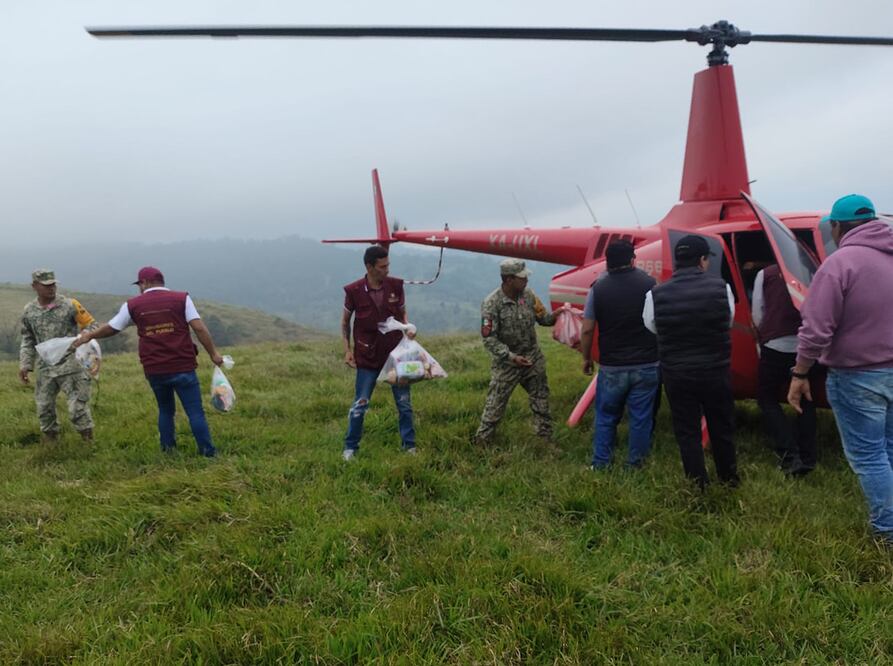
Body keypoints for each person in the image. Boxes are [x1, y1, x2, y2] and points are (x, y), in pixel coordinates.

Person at [788, 194, 893, 545]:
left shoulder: (839, 264)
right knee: (889, 448)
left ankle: (888, 531)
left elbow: (816, 329)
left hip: (858, 376)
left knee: (869, 456)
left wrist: (800, 373)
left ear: (836, 226)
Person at [74, 266, 222, 457]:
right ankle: (208, 452)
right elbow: (199, 328)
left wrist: (89, 336)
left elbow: (112, 328)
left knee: (166, 410)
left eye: (140, 285)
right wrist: (213, 354)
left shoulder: (133, 305)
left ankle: (168, 451)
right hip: (182, 364)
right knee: (195, 412)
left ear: (144, 283)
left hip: (155, 367)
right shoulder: (182, 299)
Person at [643, 235, 739, 489]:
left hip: (677, 372)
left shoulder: (656, 294)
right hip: (715, 370)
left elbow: (652, 326)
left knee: (687, 430)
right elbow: (727, 320)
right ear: (702, 260)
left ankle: (697, 482)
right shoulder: (722, 288)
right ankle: (729, 478)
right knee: (722, 426)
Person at [581, 240, 659, 469]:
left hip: (612, 366)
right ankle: (636, 464)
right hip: (647, 364)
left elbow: (587, 329)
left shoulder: (598, 288)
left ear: (607, 262)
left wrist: (586, 358)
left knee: (606, 417)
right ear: (633, 259)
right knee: (641, 418)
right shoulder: (650, 284)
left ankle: (601, 463)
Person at [341, 245, 416, 460]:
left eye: (388, 265)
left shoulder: (395, 286)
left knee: (404, 404)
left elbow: (403, 315)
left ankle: (409, 446)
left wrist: (407, 329)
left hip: (395, 355)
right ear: (369, 266)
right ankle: (350, 448)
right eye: (382, 266)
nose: (386, 270)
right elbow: (345, 322)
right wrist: (348, 350)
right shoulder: (353, 291)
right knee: (360, 403)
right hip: (367, 356)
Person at [474, 258, 557, 445]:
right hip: (507, 363)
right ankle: (482, 442)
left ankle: (544, 441)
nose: (526, 280)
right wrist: (510, 357)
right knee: (495, 406)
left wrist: (558, 316)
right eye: (522, 278)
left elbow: (543, 319)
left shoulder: (529, 296)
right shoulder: (491, 303)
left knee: (541, 401)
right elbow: (489, 338)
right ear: (508, 279)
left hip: (532, 358)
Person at [753, 263, 818, 475]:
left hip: (776, 346)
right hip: (807, 348)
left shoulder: (766, 273)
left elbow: (758, 311)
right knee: (807, 400)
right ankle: (808, 456)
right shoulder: (813, 270)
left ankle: (790, 455)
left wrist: (764, 334)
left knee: (767, 398)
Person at [19, 269, 98, 443]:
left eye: (53, 284)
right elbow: (27, 338)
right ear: (35, 286)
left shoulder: (70, 305)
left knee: (77, 408)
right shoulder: (29, 311)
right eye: (46, 285)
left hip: (71, 365)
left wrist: (83, 337)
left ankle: (89, 443)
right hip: (45, 367)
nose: (51, 288)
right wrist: (25, 364)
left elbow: (92, 325)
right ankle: (51, 444)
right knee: (44, 407)